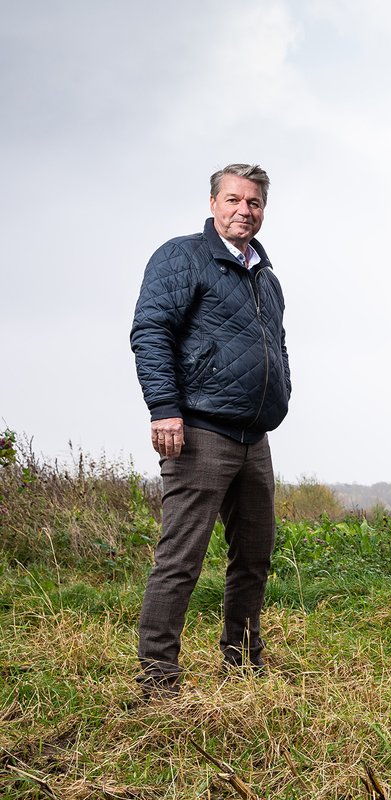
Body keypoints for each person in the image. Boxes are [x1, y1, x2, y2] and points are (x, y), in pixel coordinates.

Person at [130, 163, 290, 698]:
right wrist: (164, 408)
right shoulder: (183, 256)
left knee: (254, 555)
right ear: (215, 203)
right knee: (181, 556)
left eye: (254, 203)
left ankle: (242, 662)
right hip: (198, 431)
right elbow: (151, 330)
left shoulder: (267, 278)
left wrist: (282, 390)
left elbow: (276, 347)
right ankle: (158, 676)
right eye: (234, 200)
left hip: (255, 438)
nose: (244, 210)